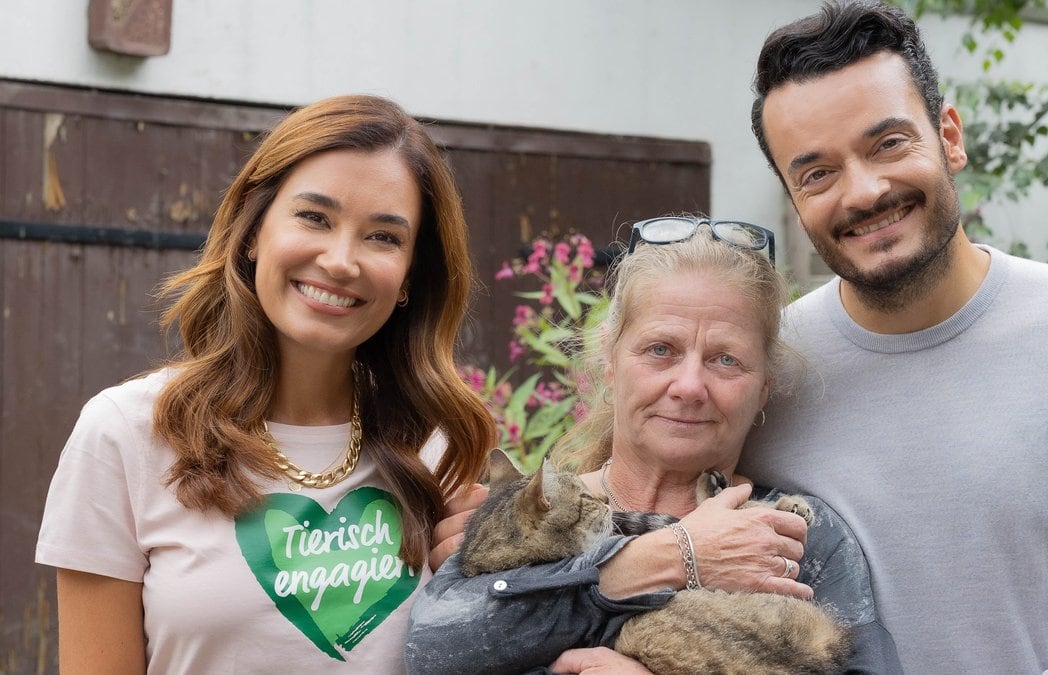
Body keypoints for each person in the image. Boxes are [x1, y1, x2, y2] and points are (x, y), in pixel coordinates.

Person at [740, 2, 1048, 672]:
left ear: (949, 135)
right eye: (817, 173)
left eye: (888, 144)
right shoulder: (765, 372)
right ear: (791, 192)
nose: (864, 191)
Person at [35, 94, 495, 674]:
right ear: (253, 233)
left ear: (409, 276)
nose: (341, 260)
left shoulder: (436, 450)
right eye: (314, 217)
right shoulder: (126, 433)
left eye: (383, 237)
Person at [406, 217, 902, 673]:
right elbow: (431, 651)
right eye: (660, 350)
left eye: (726, 360)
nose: (689, 386)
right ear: (611, 362)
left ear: (764, 387)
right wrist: (650, 563)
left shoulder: (797, 532)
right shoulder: (539, 514)